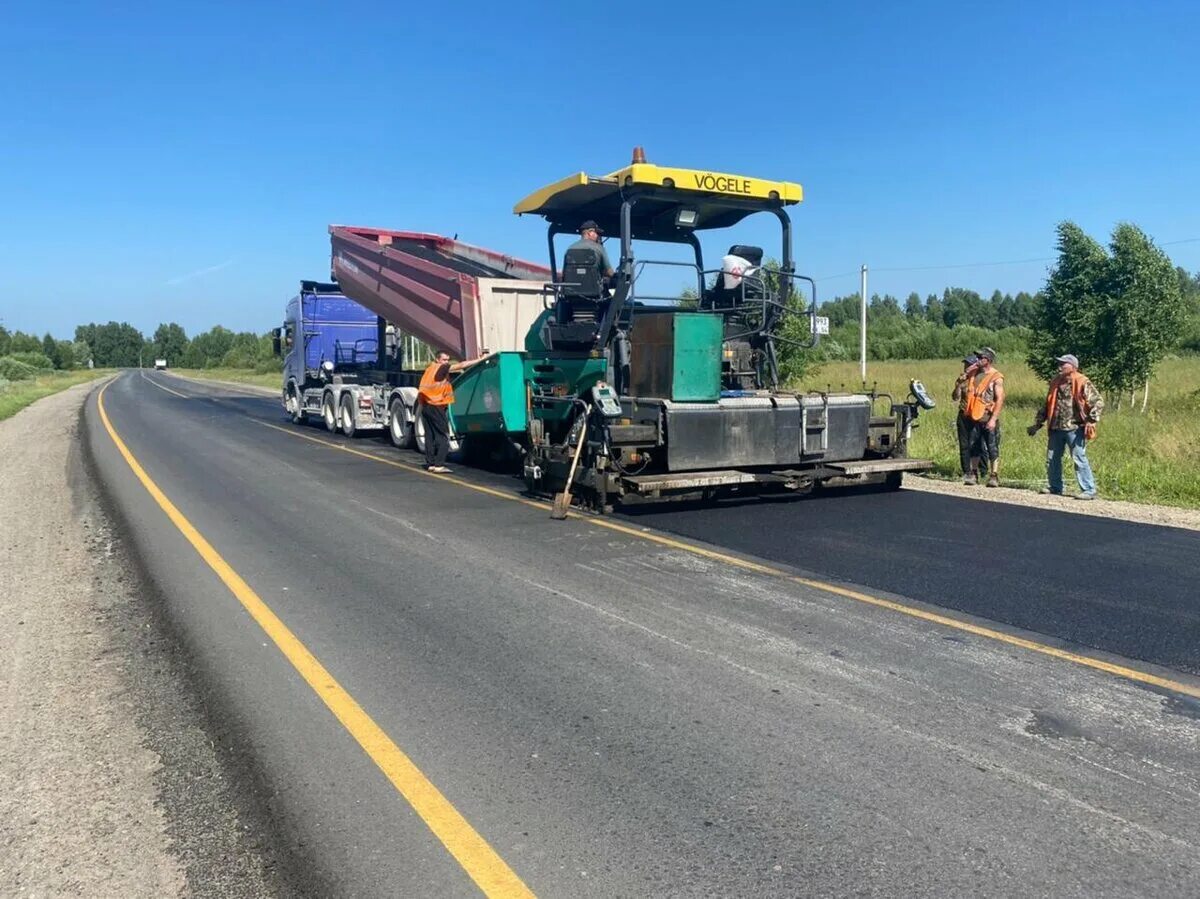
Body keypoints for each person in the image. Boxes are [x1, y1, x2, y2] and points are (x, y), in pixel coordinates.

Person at [1027, 353, 1105, 499]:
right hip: (1056, 427)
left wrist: (1091, 420)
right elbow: (1047, 404)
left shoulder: (1082, 381)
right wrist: (1038, 423)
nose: (1060, 366)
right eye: (1060, 363)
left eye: (1063, 364)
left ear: (1073, 367)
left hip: (1075, 428)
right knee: (1052, 458)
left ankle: (1088, 490)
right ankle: (1055, 487)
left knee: (1078, 457)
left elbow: (1098, 402)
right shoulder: (1055, 382)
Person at [417, 348, 489, 473]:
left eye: (447, 360)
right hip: (436, 405)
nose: (446, 362)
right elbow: (461, 365)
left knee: (430, 436)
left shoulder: (430, 368)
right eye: (444, 359)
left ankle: (431, 464)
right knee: (443, 436)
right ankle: (439, 465)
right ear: (437, 359)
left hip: (426, 405)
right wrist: (479, 360)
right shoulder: (442, 368)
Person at [962, 347, 1004, 487]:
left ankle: (994, 475)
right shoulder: (973, 373)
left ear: (989, 360)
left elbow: (999, 399)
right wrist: (965, 374)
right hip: (974, 416)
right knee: (974, 446)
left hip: (988, 417)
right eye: (978, 357)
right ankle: (974, 474)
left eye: (981, 357)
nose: (978, 360)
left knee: (992, 447)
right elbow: (961, 385)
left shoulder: (996, 377)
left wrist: (993, 419)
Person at [951, 354, 982, 481]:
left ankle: (981, 471)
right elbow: (955, 397)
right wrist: (958, 384)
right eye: (965, 364)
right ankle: (966, 471)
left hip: (976, 414)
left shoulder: (980, 380)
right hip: (963, 414)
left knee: (977, 444)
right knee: (964, 444)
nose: (966, 367)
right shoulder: (962, 380)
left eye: (968, 364)